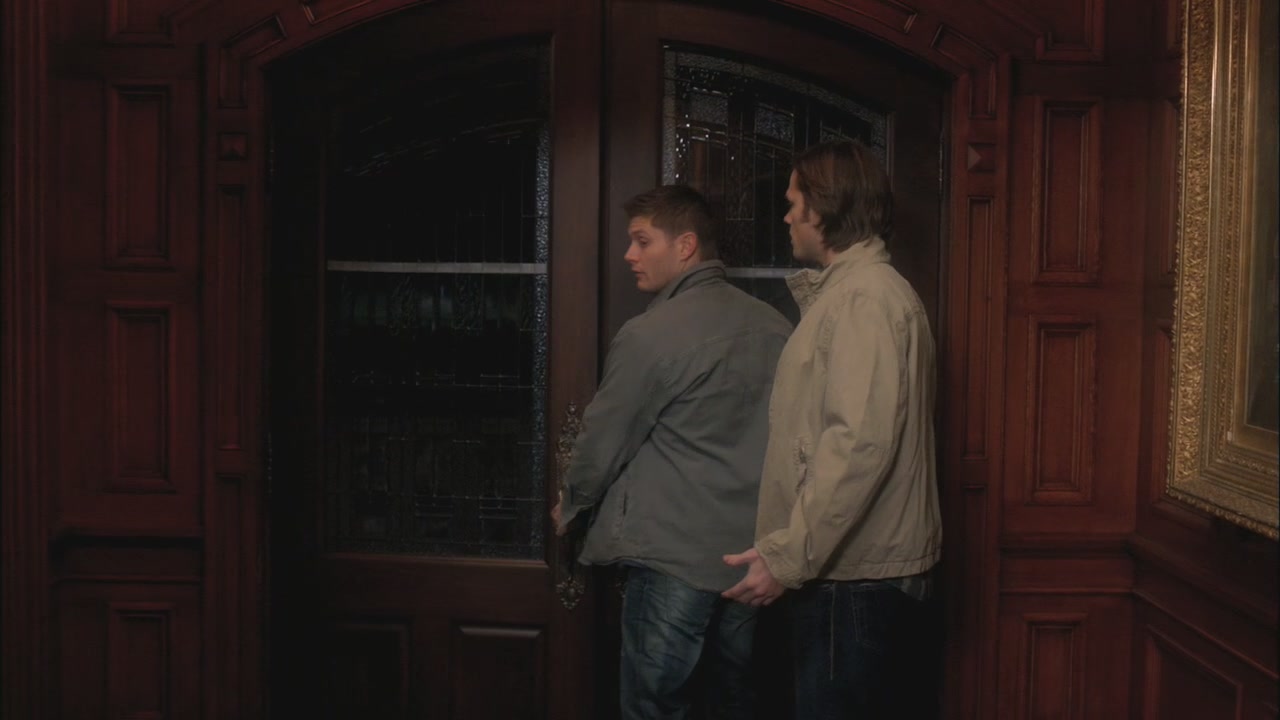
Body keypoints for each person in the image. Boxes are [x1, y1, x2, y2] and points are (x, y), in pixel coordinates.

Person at [552, 184, 792, 720]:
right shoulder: (777, 327)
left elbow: (602, 441)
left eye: (642, 241)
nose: (628, 255)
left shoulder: (651, 334)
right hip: (751, 559)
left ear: (685, 246)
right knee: (734, 702)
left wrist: (571, 505)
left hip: (673, 558)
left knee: (655, 706)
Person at [721, 140, 942, 718]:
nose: (786, 216)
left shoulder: (865, 299)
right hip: (850, 577)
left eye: (793, 202)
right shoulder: (854, 294)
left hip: (854, 583)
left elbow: (857, 444)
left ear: (823, 207)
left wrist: (788, 556)